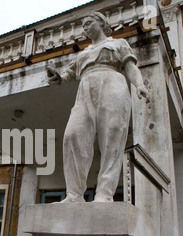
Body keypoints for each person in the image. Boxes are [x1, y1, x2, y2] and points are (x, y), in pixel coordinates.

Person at [47, 12, 150, 203]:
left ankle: (104, 193)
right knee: (73, 135)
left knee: (112, 138)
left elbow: (130, 67)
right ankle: (74, 195)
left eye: (88, 23)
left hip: (113, 84)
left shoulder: (118, 43)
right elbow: (66, 77)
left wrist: (140, 85)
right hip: (85, 88)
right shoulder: (82, 54)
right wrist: (57, 78)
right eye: (83, 26)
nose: (84, 28)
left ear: (101, 23)